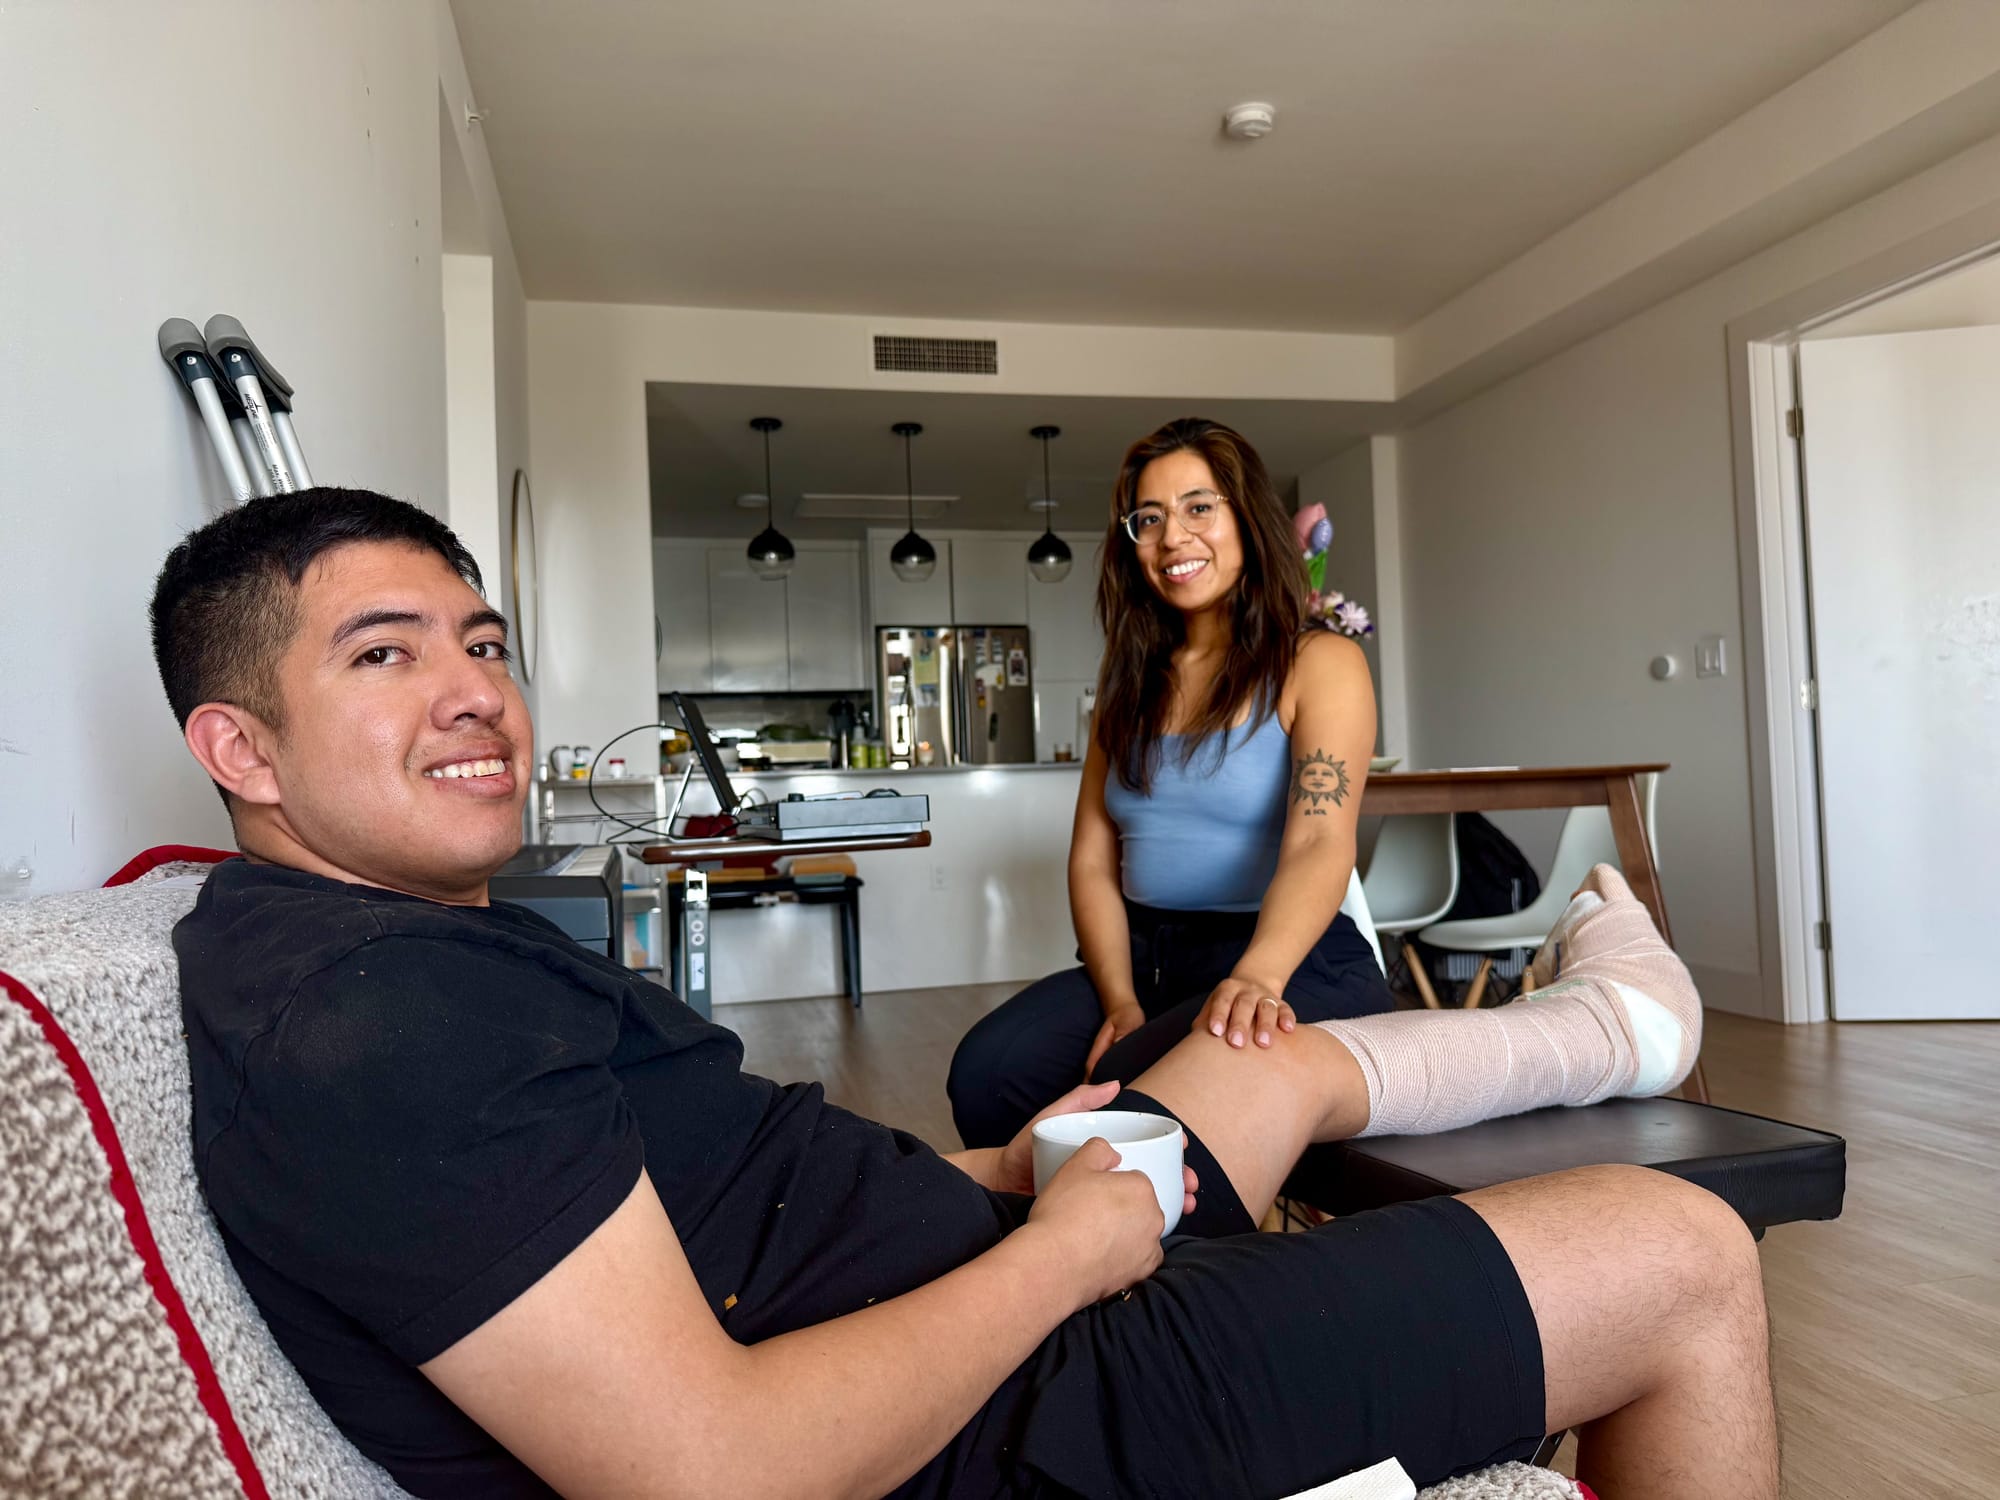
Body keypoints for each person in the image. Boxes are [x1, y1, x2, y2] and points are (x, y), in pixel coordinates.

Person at [155, 488, 1776, 1500]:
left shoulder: (412, 953)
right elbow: (713, 1470)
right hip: (1012, 1412)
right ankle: (1617, 1024)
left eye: (483, 643)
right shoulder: (374, 1021)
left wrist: (995, 1173)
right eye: (385, 656)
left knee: (1250, 1066)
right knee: (1685, 1247)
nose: (475, 695)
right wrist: (1064, 1252)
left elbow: (680, 1215)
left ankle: (1608, 1023)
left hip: (970, 1283)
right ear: (240, 747)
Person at [950, 418, 1395, 1150]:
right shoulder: (1128, 682)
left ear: (1248, 519)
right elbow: (1093, 861)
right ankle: (1048, 1216)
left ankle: (1140, 1226)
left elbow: (1320, 839)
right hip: (1148, 957)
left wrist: (1258, 977)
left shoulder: (1318, 661)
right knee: (989, 1071)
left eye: (1199, 507)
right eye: (1149, 518)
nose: (1172, 537)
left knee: (1128, 1084)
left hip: (1288, 957)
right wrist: (1120, 999)